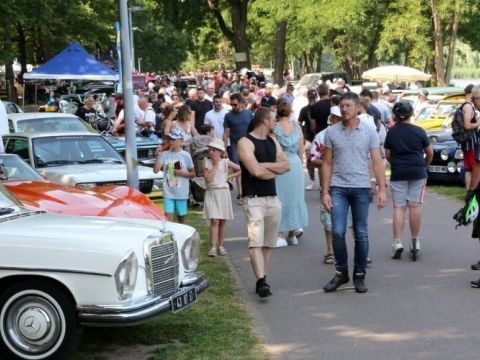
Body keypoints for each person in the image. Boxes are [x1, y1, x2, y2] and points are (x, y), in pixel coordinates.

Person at [321, 92, 386, 294]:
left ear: (358, 107)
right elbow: (327, 163)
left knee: (361, 232)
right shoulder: (331, 132)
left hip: (361, 187)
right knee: (338, 231)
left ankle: (359, 274)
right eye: (342, 106)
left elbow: (377, 161)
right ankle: (341, 272)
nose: (344, 109)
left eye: (348, 105)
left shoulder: (369, 131)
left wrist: (382, 189)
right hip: (338, 187)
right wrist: (325, 191)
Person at [237, 108, 290, 298]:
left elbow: (287, 165)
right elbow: (255, 172)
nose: (276, 123)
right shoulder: (245, 142)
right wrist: (272, 170)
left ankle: (263, 278)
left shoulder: (273, 141)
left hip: (272, 198)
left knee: (269, 243)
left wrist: (265, 166)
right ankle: (260, 280)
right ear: (266, 121)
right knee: (255, 241)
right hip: (253, 199)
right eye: (274, 120)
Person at [384, 101, 433, 259]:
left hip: (399, 172)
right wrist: (424, 165)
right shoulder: (419, 131)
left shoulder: (391, 132)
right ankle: (415, 241)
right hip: (417, 172)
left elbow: (388, 154)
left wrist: (395, 164)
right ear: (411, 114)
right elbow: (430, 152)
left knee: (399, 207)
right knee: (415, 206)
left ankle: (397, 242)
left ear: (395, 115)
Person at [310, 106, 342, 264]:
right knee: (328, 218)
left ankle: (359, 251)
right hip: (329, 183)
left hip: (351, 182)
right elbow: (313, 158)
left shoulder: (354, 133)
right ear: (333, 119)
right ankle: (330, 251)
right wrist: (329, 163)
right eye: (338, 118)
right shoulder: (322, 136)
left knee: (355, 219)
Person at [274, 102, 308, 247]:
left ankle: (279, 233)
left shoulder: (275, 128)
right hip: (295, 163)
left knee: (279, 197)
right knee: (295, 198)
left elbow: (274, 149)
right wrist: (300, 164)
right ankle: (292, 234)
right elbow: (301, 149)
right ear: (289, 112)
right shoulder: (297, 127)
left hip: (280, 163)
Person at [203, 138, 241, 257]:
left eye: (214, 150)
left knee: (222, 221)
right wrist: (215, 165)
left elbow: (240, 169)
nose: (211, 152)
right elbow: (208, 179)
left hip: (223, 192)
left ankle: (221, 245)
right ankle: (213, 246)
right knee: (214, 220)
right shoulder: (206, 162)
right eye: (210, 149)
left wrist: (229, 177)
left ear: (220, 151)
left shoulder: (226, 162)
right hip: (212, 192)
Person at [153, 129, 195, 224]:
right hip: (168, 192)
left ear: (180, 141)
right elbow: (155, 170)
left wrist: (182, 173)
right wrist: (158, 155)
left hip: (181, 193)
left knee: (181, 218)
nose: (170, 141)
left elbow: (193, 174)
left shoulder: (186, 155)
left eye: (173, 139)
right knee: (168, 217)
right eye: (169, 139)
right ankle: (169, 235)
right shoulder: (165, 154)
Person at [223, 93, 253, 200]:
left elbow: (253, 130)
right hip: (235, 146)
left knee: (249, 168)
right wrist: (224, 149)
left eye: (235, 105)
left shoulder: (249, 114)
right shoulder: (228, 116)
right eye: (232, 105)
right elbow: (226, 133)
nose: (233, 107)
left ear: (241, 103)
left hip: (248, 145)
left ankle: (249, 190)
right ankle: (241, 194)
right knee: (238, 169)